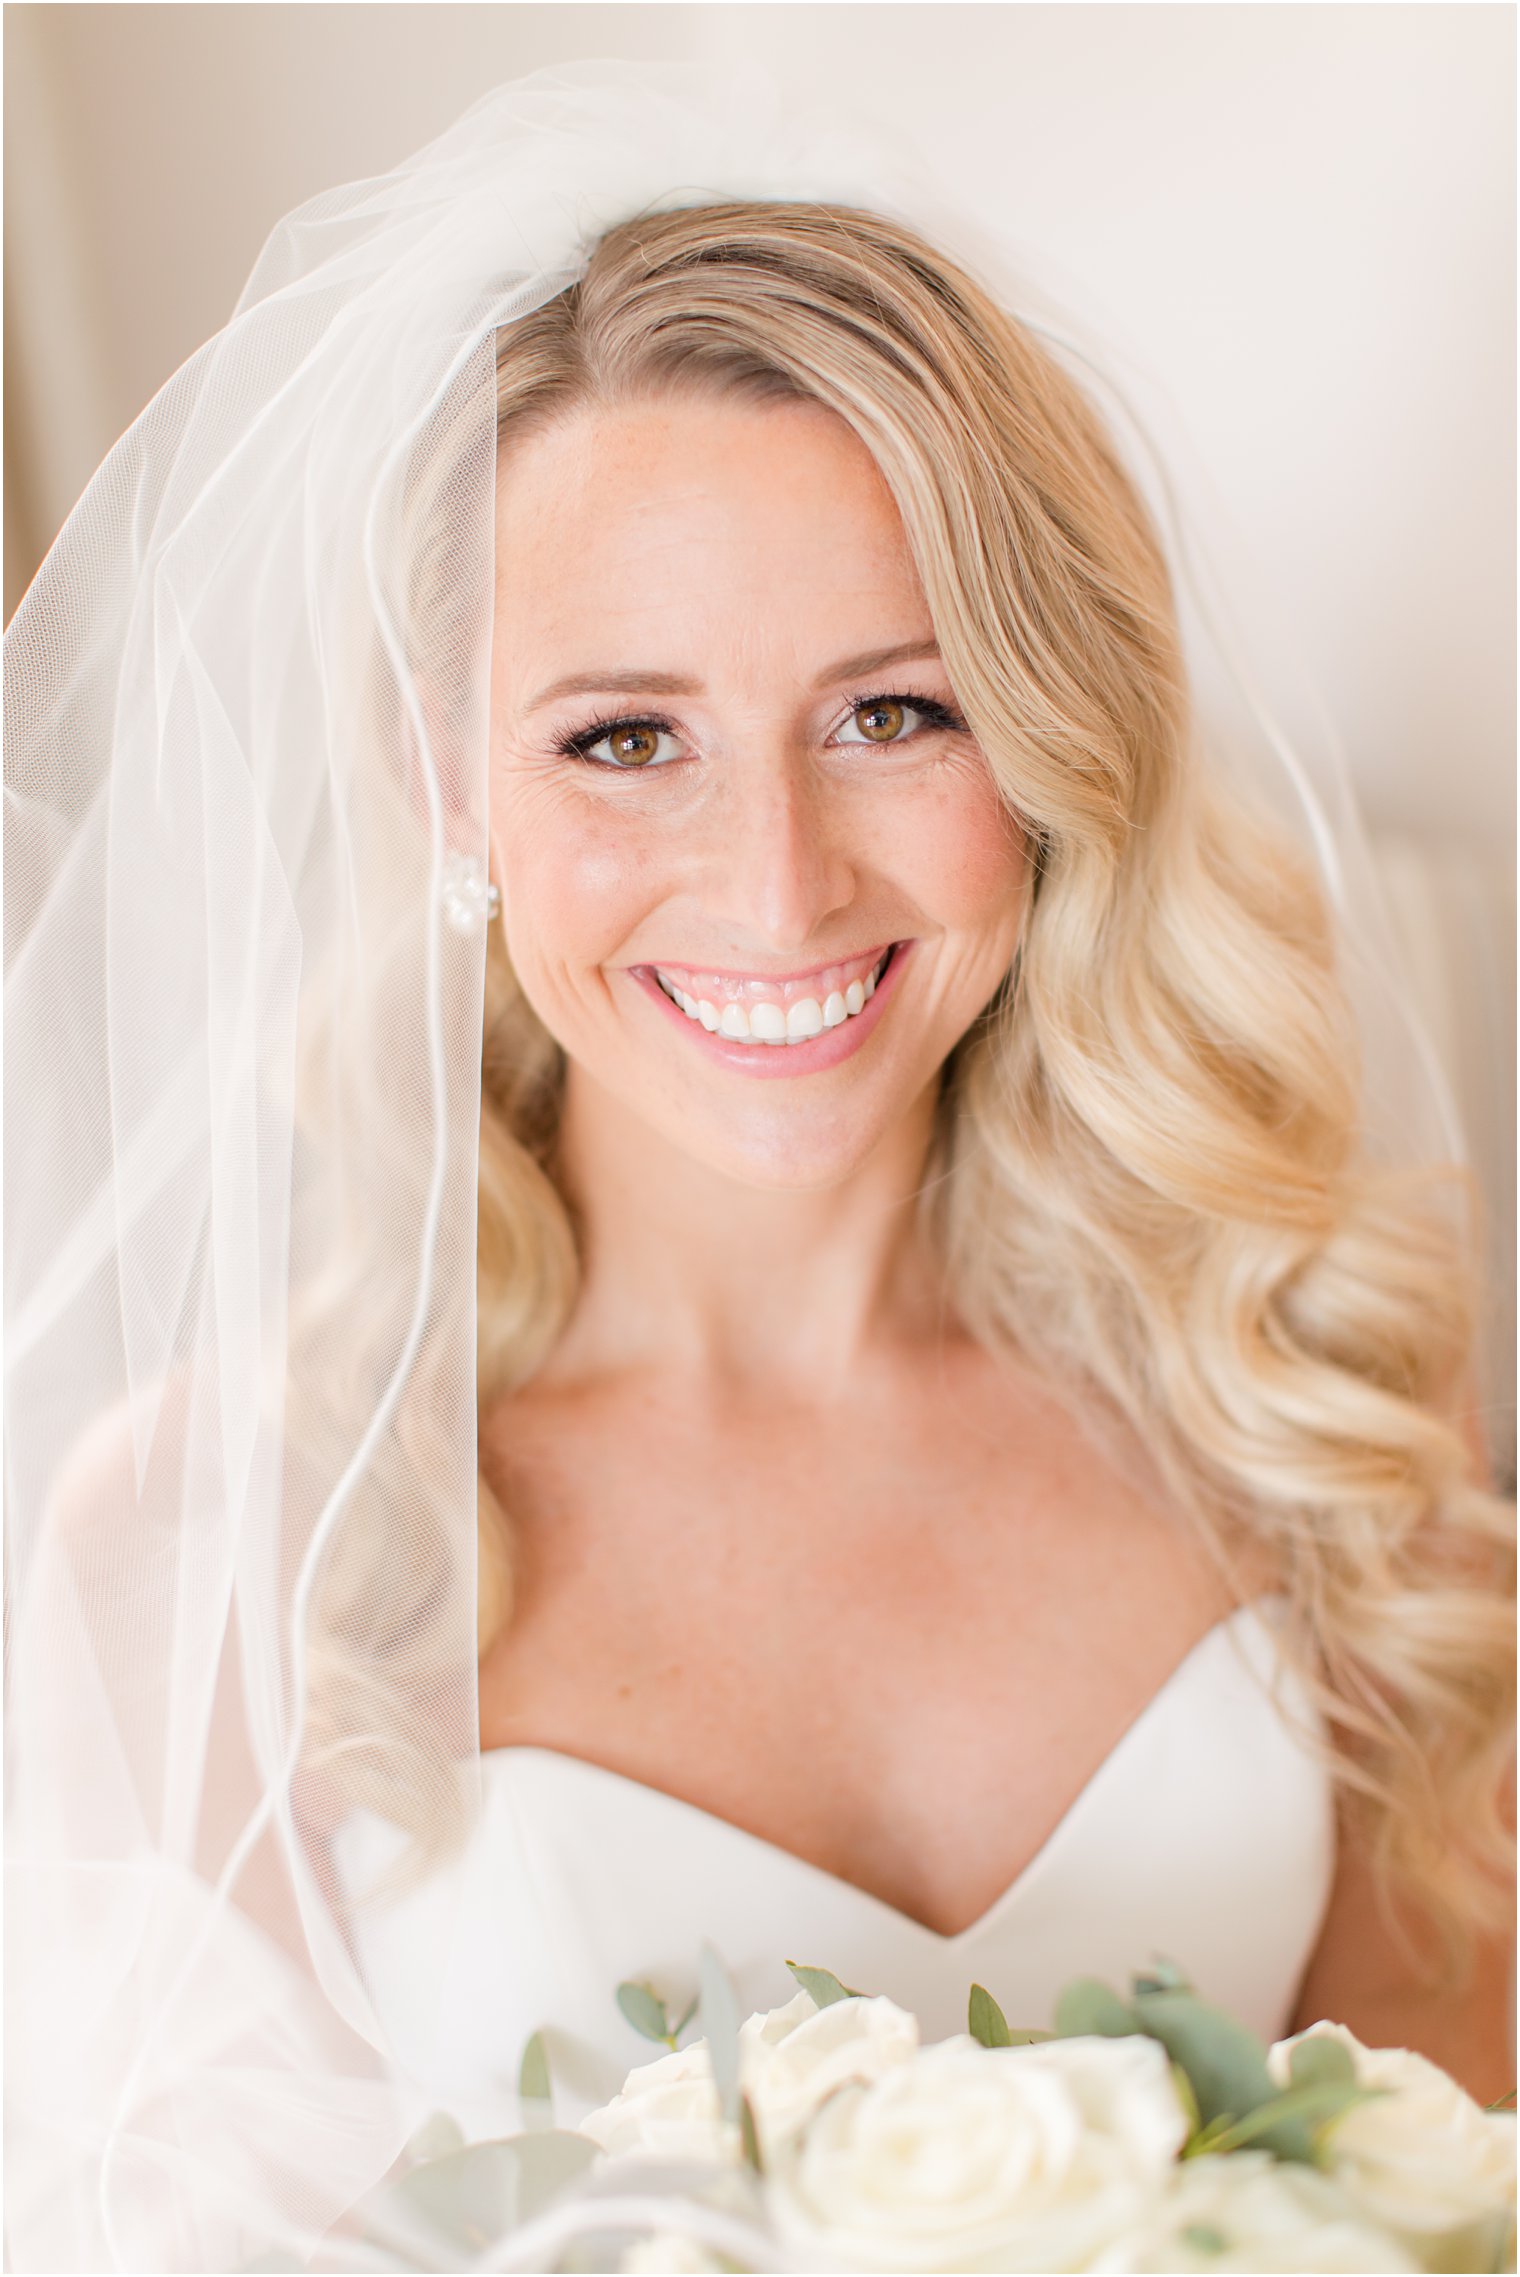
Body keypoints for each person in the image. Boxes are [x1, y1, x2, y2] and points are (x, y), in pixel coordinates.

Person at [5, 58, 1513, 2275]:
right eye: (625, 737)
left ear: (1049, 732)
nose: (779, 880)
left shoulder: (1302, 1409)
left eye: (894, 710)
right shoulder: (217, 1535)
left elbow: (1449, 2160)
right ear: (447, 788)